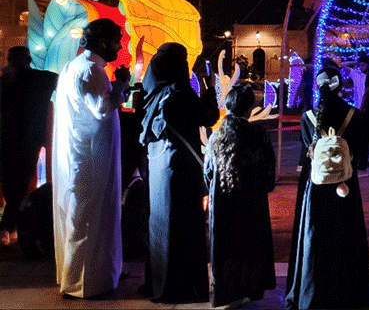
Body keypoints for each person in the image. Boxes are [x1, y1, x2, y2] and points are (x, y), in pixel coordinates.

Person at [286, 66, 369, 309]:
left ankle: (312, 288)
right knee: (346, 232)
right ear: (340, 86)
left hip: (314, 186)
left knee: (314, 234)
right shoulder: (353, 114)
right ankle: (348, 290)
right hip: (345, 184)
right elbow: (360, 153)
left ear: (318, 86)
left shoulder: (308, 117)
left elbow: (307, 153)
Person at [139, 42, 219, 303]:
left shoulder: (152, 93)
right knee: (183, 222)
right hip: (180, 168)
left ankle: (158, 283)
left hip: (159, 166)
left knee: (160, 221)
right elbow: (207, 117)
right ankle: (181, 286)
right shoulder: (179, 91)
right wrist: (209, 93)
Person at [51, 18, 123, 298]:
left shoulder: (76, 65)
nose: (119, 46)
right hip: (90, 157)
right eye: (117, 41)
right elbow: (102, 109)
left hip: (84, 154)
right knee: (88, 217)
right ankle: (84, 284)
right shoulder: (91, 69)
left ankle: (91, 275)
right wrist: (122, 85)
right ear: (104, 43)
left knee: (83, 215)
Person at [205, 84, 276, 307]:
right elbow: (269, 169)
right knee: (251, 243)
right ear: (249, 108)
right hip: (251, 201)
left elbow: (208, 172)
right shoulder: (258, 134)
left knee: (225, 246)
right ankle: (250, 288)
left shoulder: (217, 136)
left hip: (223, 201)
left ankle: (226, 291)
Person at [1, 46, 57, 246]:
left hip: (8, 140)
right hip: (28, 140)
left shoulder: (5, 81)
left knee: (12, 185)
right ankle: (9, 225)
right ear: (29, 59)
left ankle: (8, 226)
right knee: (19, 184)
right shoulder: (43, 79)